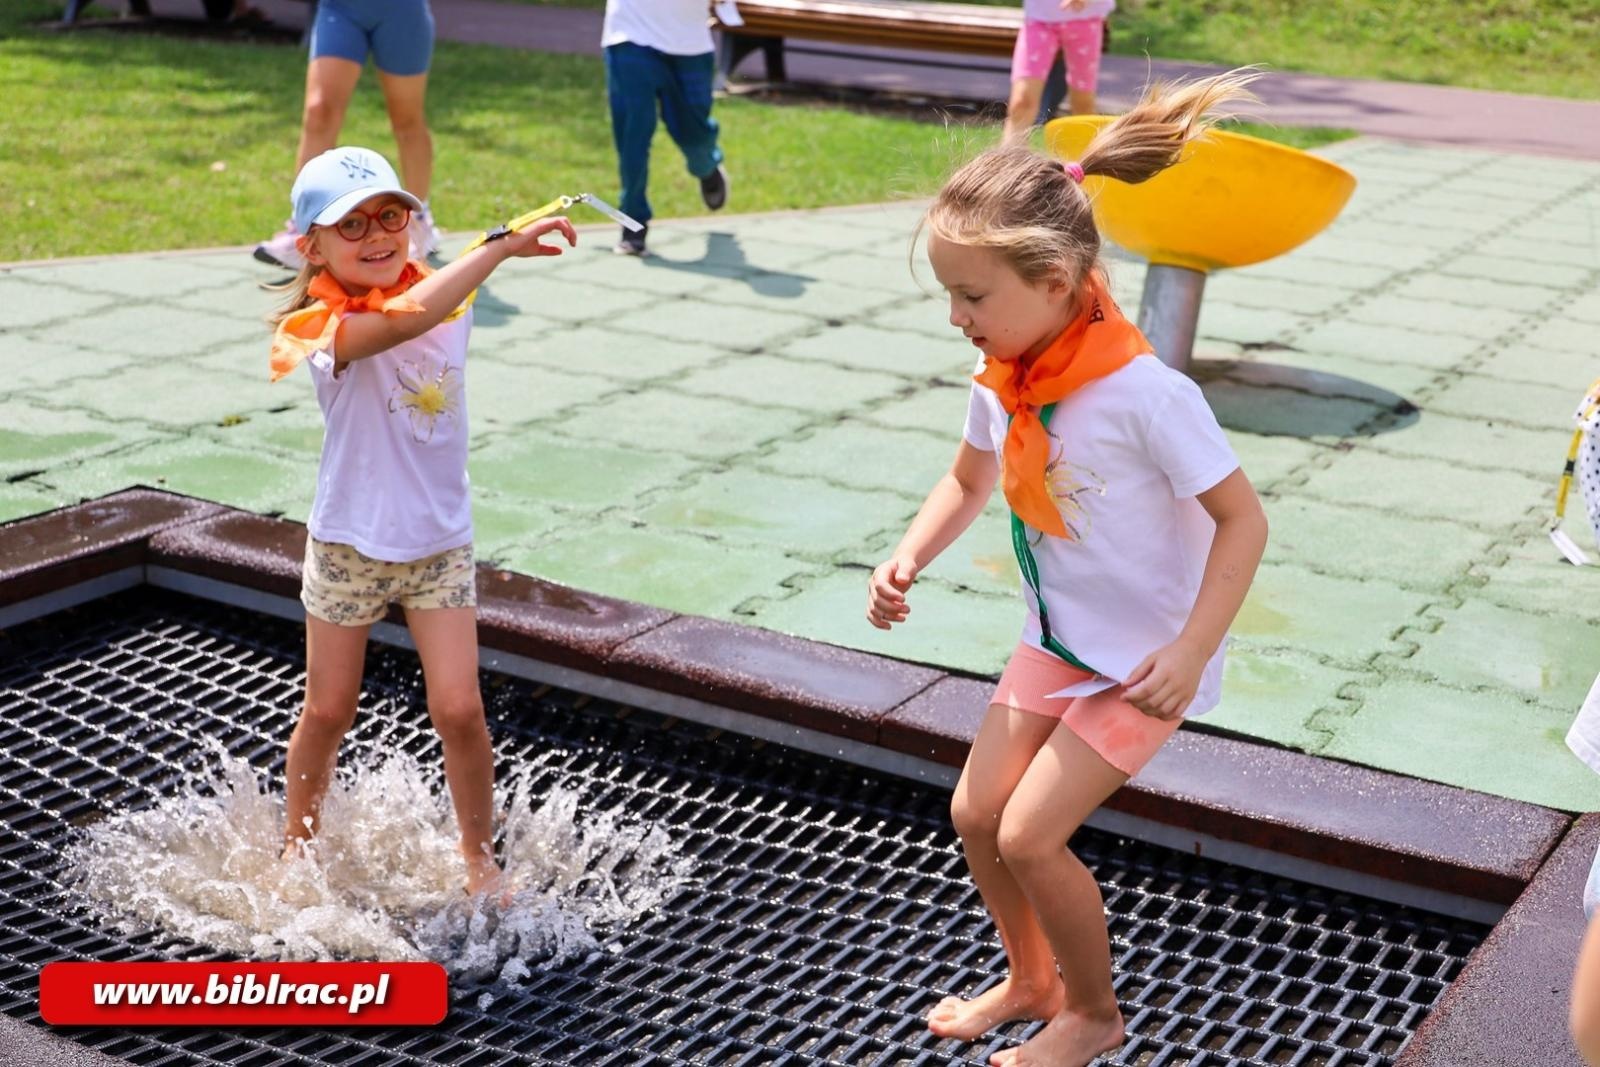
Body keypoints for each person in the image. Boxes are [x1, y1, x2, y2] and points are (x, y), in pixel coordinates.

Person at [867, 71, 1268, 1067]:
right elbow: (967, 479)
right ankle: (1032, 979)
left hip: (1146, 660)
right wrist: (909, 552)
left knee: (1030, 834)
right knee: (976, 813)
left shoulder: (1146, 395)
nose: (956, 316)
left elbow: (1243, 522)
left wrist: (1191, 649)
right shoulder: (1004, 377)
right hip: (1059, 637)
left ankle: (1091, 1012)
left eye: (971, 295)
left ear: (1054, 281)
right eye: (949, 293)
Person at [267, 145, 576, 896]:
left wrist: (498, 245)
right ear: (311, 248)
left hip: (439, 542)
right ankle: (297, 847)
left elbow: (430, 297)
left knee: (461, 709)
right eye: (352, 225)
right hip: (349, 543)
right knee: (328, 710)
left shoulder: (442, 292)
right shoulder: (322, 329)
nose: (377, 235)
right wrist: (498, 247)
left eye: (391, 216)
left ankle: (478, 858)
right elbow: (405, 321)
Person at [255, 0, 443, 270]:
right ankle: (305, 229)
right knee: (319, 111)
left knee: (406, 118)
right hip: (340, 8)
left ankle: (419, 222)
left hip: (400, 10)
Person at [602, 0, 731, 256]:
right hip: (629, 33)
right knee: (633, 133)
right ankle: (633, 225)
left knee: (693, 133)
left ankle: (706, 167)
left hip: (689, 42)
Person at [1005, 0, 1115, 142]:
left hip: (1086, 19)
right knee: (1021, 102)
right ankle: (1011, 153)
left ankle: (1087, 153)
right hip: (1039, 19)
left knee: (1083, 105)